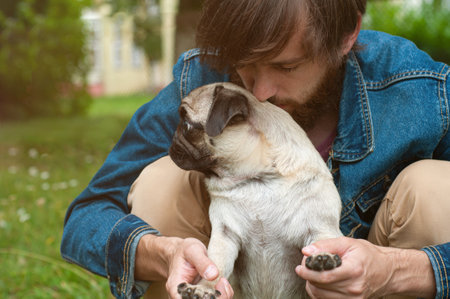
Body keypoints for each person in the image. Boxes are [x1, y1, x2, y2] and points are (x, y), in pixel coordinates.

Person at [61, 0, 450, 298]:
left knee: (435, 187)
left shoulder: (419, 89)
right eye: (246, 63)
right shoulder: (202, 79)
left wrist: (400, 269)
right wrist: (161, 253)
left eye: (286, 67)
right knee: (162, 182)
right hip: (234, 282)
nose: (259, 92)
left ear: (347, 35)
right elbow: (86, 216)